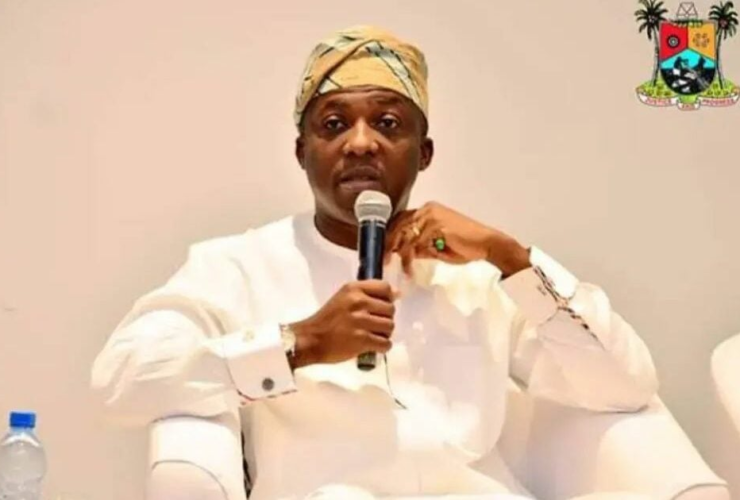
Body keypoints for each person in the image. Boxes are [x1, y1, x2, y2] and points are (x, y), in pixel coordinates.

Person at [91, 26, 659, 500]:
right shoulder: (238, 265)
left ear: (424, 152)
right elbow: (121, 381)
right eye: (334, 125)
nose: (360, 144)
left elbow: (624, 385)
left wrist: (511, 259)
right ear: (302, 152)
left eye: (387, 124)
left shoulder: (479, 275)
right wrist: (301, 343)